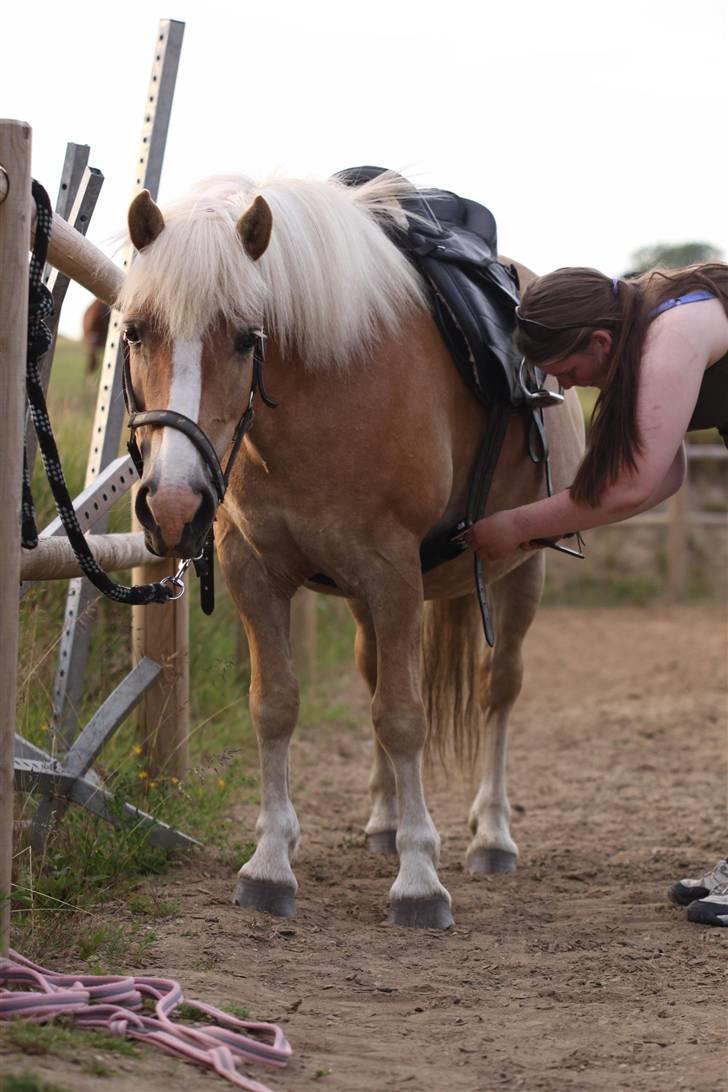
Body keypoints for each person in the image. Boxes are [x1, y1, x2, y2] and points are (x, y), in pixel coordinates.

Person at [468, 262, 728, 928]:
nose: (563, 385)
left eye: (568, 369)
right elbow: (662, 472)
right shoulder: (646, 328)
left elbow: (635, 484)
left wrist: (515, 527)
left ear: (599, 343)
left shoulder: (673, 329)